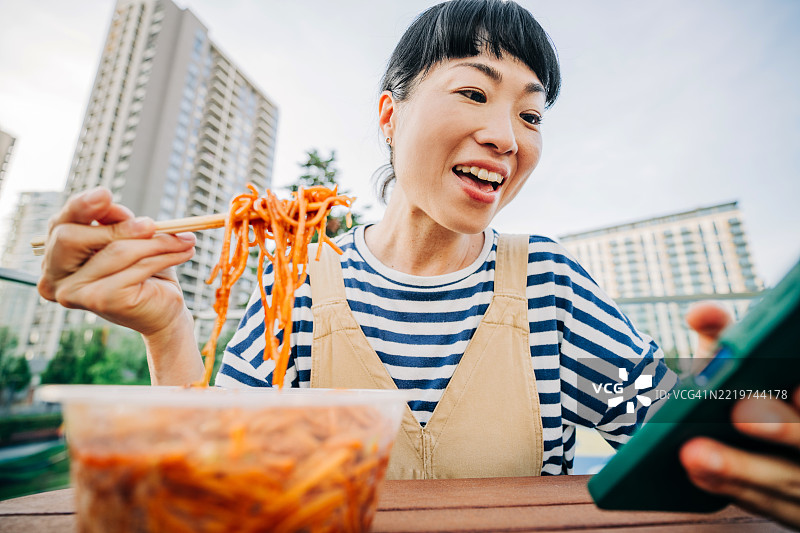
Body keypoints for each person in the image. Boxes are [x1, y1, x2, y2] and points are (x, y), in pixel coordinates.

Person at [37, 0, 799, 527]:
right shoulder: (301, 280)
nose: (508, 136)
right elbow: (206, 488)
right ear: (389, 114)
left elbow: (677, 433)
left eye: (531, 114)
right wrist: (168, 331)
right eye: (474, 91)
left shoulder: (550, 285)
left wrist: (756, 383)